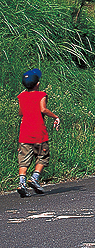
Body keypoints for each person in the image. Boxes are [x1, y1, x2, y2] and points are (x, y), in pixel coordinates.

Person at [16, 68, 60, 197]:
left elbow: (20, 113)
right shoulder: (41, 95)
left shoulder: (21, 96)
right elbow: (43, 109)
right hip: (39, 133)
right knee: (42, 156)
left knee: (24, 159)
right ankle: (34, 178)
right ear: (38, 84)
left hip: (24, 133)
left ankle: (22, 182)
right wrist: (55, 116)